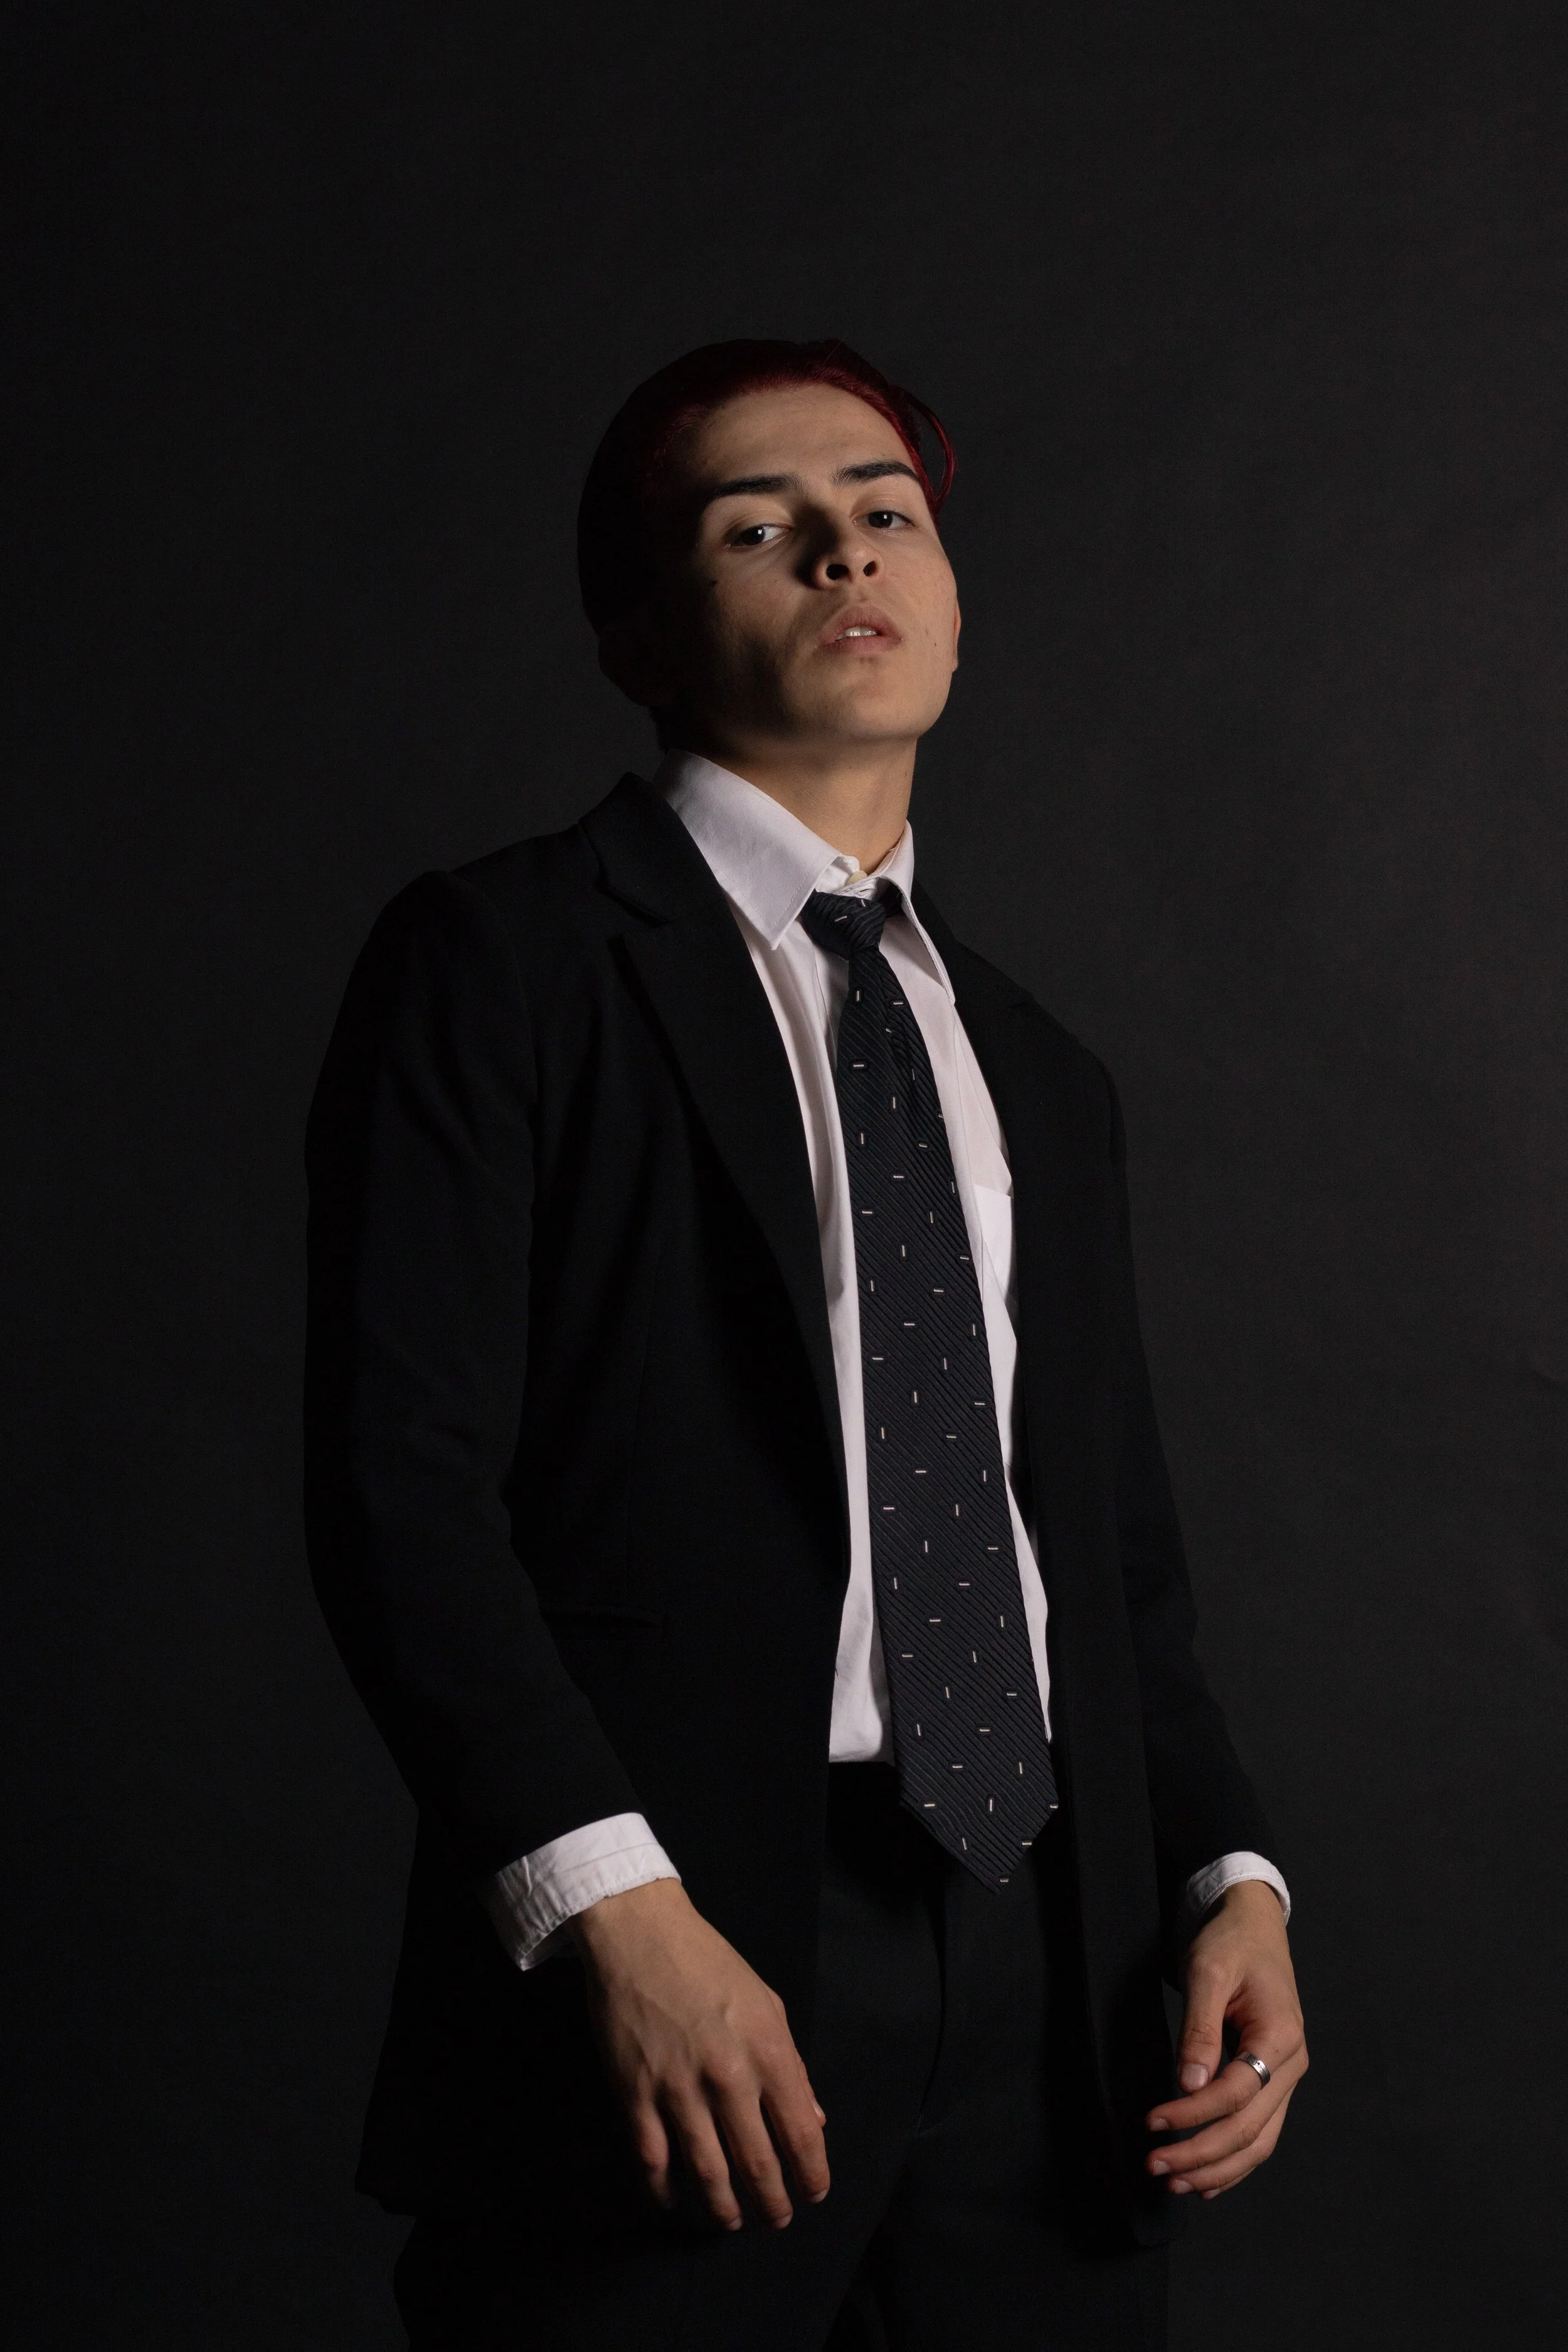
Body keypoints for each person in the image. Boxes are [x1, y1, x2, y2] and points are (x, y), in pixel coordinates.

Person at [304, 338, 1307, 2351]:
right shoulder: (501, 962)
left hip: (1059, 1990)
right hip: (679, 1957)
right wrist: (611, 1909)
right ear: (638, 637)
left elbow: (1114, 1567)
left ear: (949, 594)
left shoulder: (1039, 1068)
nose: (845, 553)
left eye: (886, 513)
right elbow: (399, 1492)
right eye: (757, 529)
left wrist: (1230, 1877)